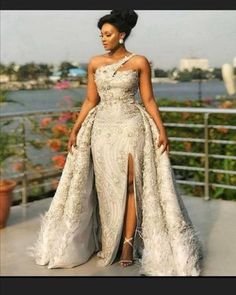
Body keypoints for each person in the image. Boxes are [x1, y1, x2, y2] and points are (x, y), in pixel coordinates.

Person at [29, 10, 203, 276]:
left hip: (132, 126)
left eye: (108, 34)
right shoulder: (95, 63)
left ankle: (127, 245)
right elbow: (90, 100)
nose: (103, 39)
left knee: (132, 183)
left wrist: (162, 130)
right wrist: (75, 130)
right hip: (102, 130)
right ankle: (108, 239)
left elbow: (149, 101)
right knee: (107, 187)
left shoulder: (140, 62)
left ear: (122, 35)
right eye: (101, 34)